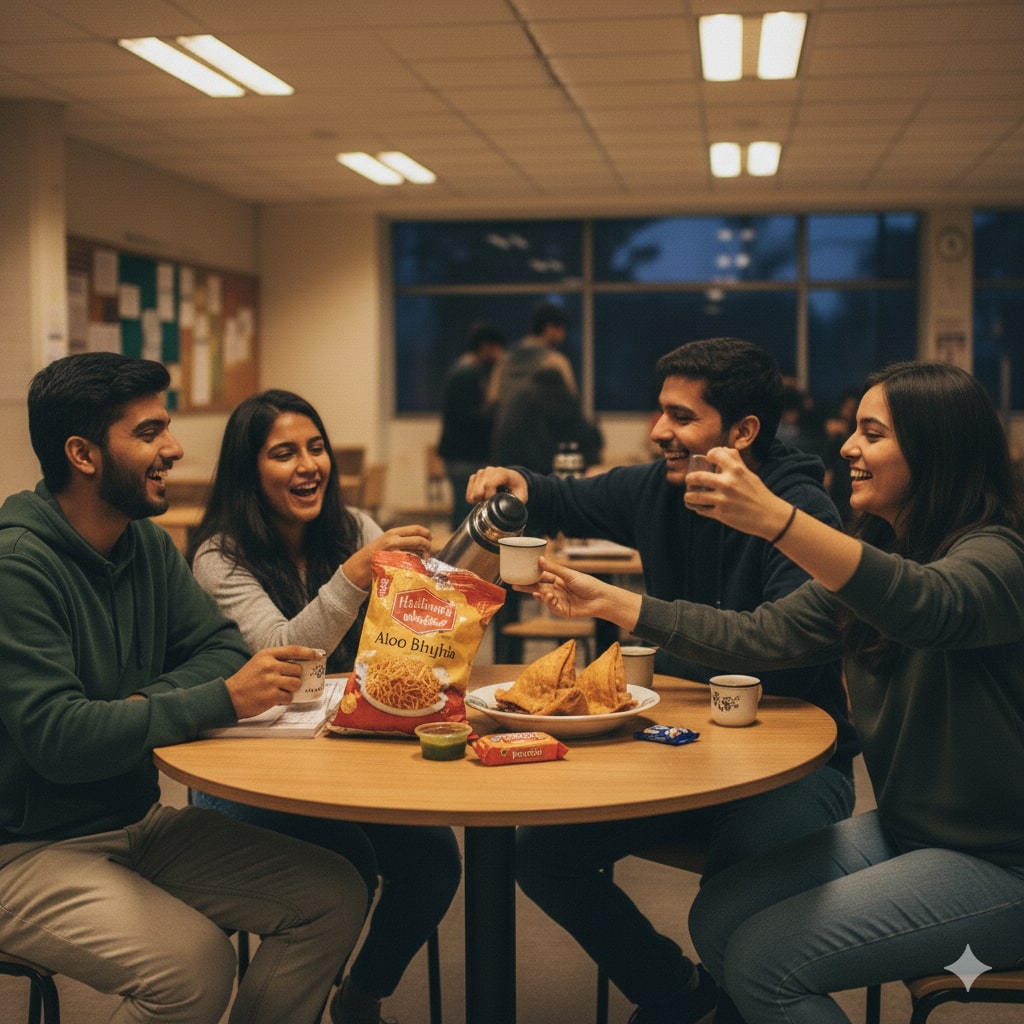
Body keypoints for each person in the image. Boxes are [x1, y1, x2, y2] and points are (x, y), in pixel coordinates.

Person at [517, 360, 1024, 1024]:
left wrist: (779, 521)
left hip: (1000, 861)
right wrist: (615, 601)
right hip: (910, 830)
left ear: (937, 451)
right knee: (719, 918)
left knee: (766, 966)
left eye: (872, 434)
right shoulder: (885, 553)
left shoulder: (998, 558)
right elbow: (761, 635)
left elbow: (927, 607)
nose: (847, 446)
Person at [466, 337, 858, 1024]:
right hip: (680, 750)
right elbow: (563, 496)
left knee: (739, 878)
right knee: (542, 854)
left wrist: (625, 607)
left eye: (680, 418)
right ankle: (674, 992)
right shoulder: (660, 488)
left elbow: (784, 652)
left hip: (793, 765)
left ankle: (740, 1004)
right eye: (659, 413)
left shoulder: (800, 513)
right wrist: (518, 483)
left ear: (741, 433)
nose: (657, 433)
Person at [0, 353, 368, 1024]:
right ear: (82, 454)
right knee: (196, 967)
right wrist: (214, 700)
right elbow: (60, 740)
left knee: (334, 894)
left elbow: (221, 647)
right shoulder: (18, 568)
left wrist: (137, 708)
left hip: (134, 822)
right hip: (24, 853)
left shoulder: (142, 544)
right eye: (148, 434)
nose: (173, 448)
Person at [188, 388, 462, 1024]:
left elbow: (406, 637)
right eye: (284, 453)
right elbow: (285, 658)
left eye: (316, 448)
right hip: (248, 769)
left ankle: (360, 996)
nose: (309, 465)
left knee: (435, 860)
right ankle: (298, 998)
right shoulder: (218, 557)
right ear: (248, 470)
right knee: (351, 863)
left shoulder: (353, 528)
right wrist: (356, 574)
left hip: (345, 753)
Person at [437, 319, 507, 529]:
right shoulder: (466, 373)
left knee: (464, 511)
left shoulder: (465, 371)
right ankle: (457, 560)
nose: (499, 355)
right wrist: (495, 412)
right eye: (497, 348)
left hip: (460, 455)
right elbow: (466, 417)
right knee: (465, 515)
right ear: (485, 346)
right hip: (463, 457)